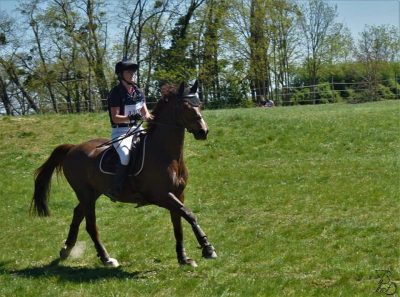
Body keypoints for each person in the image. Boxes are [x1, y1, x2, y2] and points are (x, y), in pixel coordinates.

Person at [107, 59, 152, 200]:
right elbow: (115, 118)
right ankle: (116, 190)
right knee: (125, 156)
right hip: (121, 132)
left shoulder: (138, 91)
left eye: (133, 71)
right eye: (128, 71)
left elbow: (146, 114)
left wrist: (155, 119)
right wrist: (131, 117)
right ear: (120, 74)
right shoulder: (116, 93)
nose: (132, 74)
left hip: (138, 129)